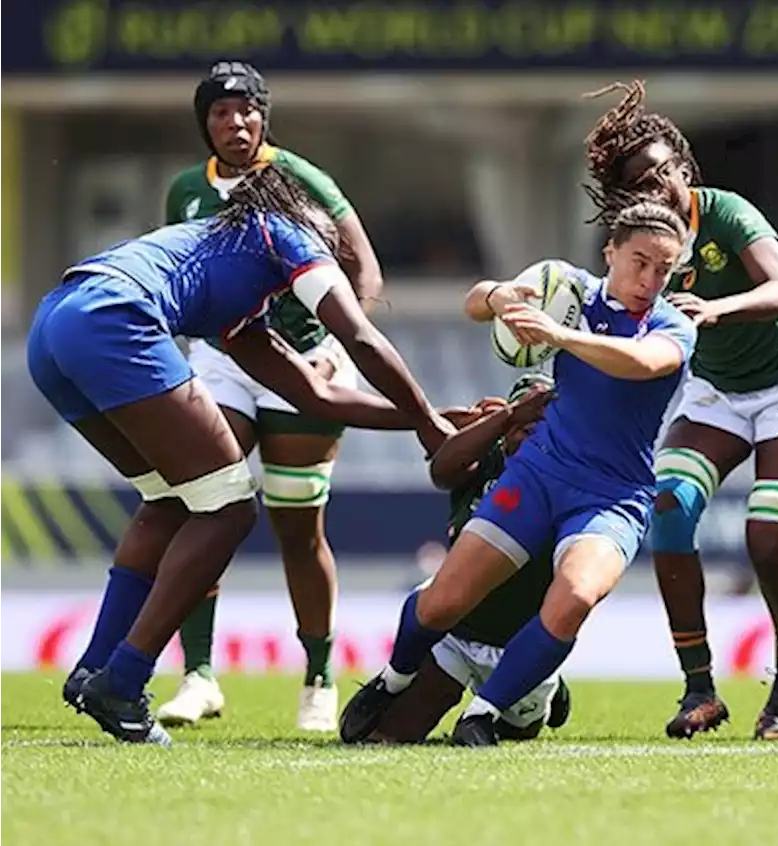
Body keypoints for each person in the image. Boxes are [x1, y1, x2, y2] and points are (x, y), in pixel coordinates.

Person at [29, 163, 468, 746]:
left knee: (167, 500)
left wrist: (426, 417)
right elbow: (359, 337)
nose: (324, 261)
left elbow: (316, 394)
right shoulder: (285, 234)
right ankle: (124, 679)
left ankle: (95, 667)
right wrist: (428, 424)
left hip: (55, 325)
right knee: (231, 507)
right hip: (115, 319)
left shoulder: (234, 282)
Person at [339, 201, 697, 748]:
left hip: (613, 494)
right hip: (539, 475)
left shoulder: (670, 323)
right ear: (610, 254)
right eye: (639, 262)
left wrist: (560, 337)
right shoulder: (567, 286)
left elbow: (644, 363)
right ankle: (391, 680)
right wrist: (500, 297)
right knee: (443, 601)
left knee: (576, 593)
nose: (649, 280)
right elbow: (474, 300)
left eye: (663, 270)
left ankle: (483, 713)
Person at [582, 80, 778, 740]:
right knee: (667, 511)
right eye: (643, 183)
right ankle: (699, 688)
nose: (660, 187)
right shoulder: (640, 247)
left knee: (768, 539)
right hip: (716, 395)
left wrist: (718, 310)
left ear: (683, 166)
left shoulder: (724, 213)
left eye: (665, 171)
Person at [157, 61, 386, 732]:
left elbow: (362, 266)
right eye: (221, 112)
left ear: (265, 116)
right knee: (204, 501)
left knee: (296, 526)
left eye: (247, 110)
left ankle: (318, 678)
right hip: (224, 359)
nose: (236, 122)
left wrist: (344, 343)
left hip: (302, 362)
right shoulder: (183, 191)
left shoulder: (302, 179)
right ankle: (197, 675)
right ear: (204, 123)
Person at [367, 373, 573, 744]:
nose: (529, 432)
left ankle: (551, 688)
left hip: (518, 644)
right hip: (456, 636)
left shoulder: (567, 477)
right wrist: (506, 416)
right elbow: (441, 469)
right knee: (385, 735)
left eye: (541, 424)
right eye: (523, 422)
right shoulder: (481, 462)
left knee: (515, 735)